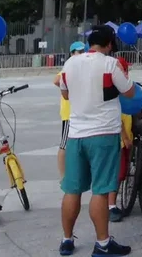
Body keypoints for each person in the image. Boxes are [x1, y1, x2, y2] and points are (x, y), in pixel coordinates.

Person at [58, 25, 135, 256]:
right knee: (100, 191)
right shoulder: (110, 64)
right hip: (103, 135)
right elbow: (129, 92)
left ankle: (66, 240)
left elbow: (64, 93)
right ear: (110, 44)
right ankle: (102, 244)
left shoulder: (70, 63)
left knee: (72, 190)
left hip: (76, 135)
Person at [106, 57, 134, 224]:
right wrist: (124, 136)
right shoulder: (117, 88)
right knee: (117, 174)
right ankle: (111, 206)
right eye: (125, 69)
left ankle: (109, 204)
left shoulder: (122, 86)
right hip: (119, 139)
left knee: (117, 173)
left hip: (122, 138)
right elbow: (118, 116)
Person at [54, 42, 86, 181]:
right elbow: (56, 80)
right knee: (65, 144)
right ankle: (63, 176)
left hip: (79, 111)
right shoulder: (69, 66)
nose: (81, 53)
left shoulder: (80, 67)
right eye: (78, 51)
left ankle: (75, 172)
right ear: (72, 53)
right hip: (69, 113)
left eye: (83, 51)